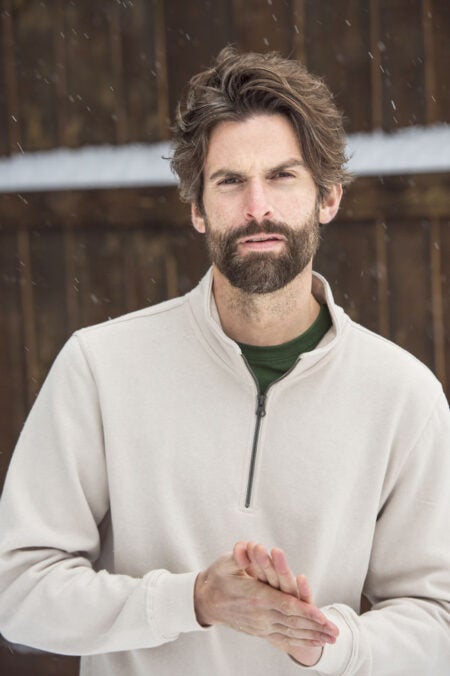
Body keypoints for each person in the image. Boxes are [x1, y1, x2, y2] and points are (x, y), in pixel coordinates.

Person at [0, 46, 448, 676]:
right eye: (230, 181)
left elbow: (438, 621)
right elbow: (17, 591)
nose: (257, 206)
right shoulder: (100, 367)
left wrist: (327, 643)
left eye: (282, 176)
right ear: (197, 208)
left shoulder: (403, 394)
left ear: (328, 198)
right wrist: (194, 600)